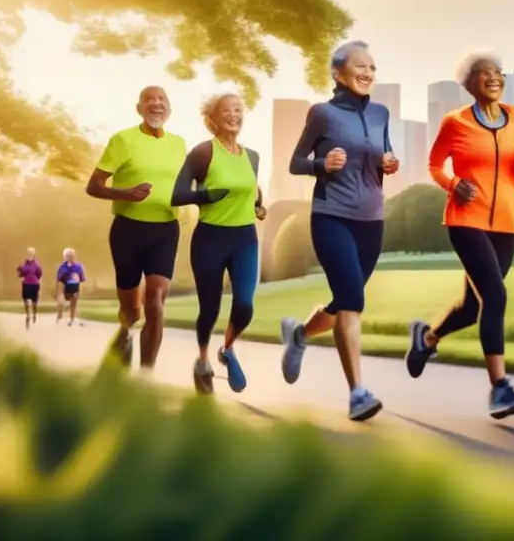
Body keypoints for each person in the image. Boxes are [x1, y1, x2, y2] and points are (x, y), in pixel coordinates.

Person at [404, 52, 514, 420]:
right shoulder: (455, 122)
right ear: (469, 84)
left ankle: (427, 338)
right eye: (484, 74)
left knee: (473, 308)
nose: (493, 78)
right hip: (466, 220)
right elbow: (434, 164)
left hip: (508, 223)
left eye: (498, 73)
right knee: (495, 296)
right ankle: (500, 388)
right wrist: (452, 183)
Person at [278, 40, 399, 422]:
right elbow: (296, 162)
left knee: (345, 300)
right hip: (332, 217)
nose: (367, 73)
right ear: (338, 72)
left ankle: (298, 334)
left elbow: (383, 154)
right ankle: (357, 393)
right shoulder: (323, 114)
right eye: (360, 66)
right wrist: (321, 163)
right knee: (351, 301)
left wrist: (389, 162)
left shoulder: (381, 113)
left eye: (372, 67)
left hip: (372, 220)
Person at [171, 93, 267, 395]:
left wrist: (258, 207)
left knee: (245, 306)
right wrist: (205, 196)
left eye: (239, 109)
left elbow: (253, 190)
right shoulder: (203, 153)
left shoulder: (252, 156)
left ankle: (227, 350)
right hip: (210, 239)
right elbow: (177, 195)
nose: (234, 115)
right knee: (209, 308)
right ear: (213, 118)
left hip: (244, 239)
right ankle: (202, 362)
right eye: (228, 110)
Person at [85, 86, 186, 371]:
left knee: (155, 302)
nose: (156, 104)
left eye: (162, 99)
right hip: (128, 231)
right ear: (139, 108)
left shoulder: (179, 143)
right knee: (131, 310)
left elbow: (185, 184)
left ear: (169, 108)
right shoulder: (123, 140)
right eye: (149, 100)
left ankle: (146, 376)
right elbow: (93, 186)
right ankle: (125, 330)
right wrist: (126, 193)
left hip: (165, 230)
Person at [56, 248, 86, 326]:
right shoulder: (62, 266)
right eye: (67, 255)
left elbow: (81, 279)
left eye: (71, 255)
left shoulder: (78, 266)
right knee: (61, 302)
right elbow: (59, 279)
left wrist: (77, 280)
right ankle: (60, 315)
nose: (69, 257)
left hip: (74, 286)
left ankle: (71, 319)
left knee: (73, 303)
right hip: (64, 285)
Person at [17, 248, 43, 329]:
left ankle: (34, 314)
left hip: (34, 284)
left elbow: (39, 274)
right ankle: (28, 315)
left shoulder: (37, 265)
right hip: (26, 284)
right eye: (28, 253)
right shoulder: (23, 265)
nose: (29, 255)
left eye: (31, 253)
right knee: (26, 300)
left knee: (34, 301)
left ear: (33, 254)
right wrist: (21, 277)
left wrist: (37, 281)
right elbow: (20, 274)